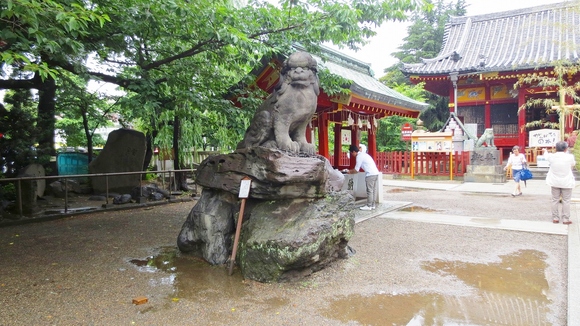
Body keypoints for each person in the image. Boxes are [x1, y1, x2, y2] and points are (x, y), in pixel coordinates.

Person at [543, 141, 576, 224]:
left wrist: (545, 151)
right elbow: (573, 164)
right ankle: (565, 219)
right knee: (566, 201)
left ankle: (555, 218)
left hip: (554, 181)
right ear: (566, 149)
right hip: (566, 181)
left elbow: (546, 155)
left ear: (555, 148)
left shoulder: (551, 157)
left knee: (555, 200)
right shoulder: (570, 157)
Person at [346, 144, 380, 210]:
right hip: (375, 173)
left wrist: (349, 172)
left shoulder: (359, 156)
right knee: (373, 190)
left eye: (351, 153)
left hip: (370, 174)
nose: (352, 155)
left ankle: (369, 205)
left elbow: (356, 170)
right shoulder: (364, 155)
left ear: (353, 152)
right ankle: (373, 204)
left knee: (369, 190)